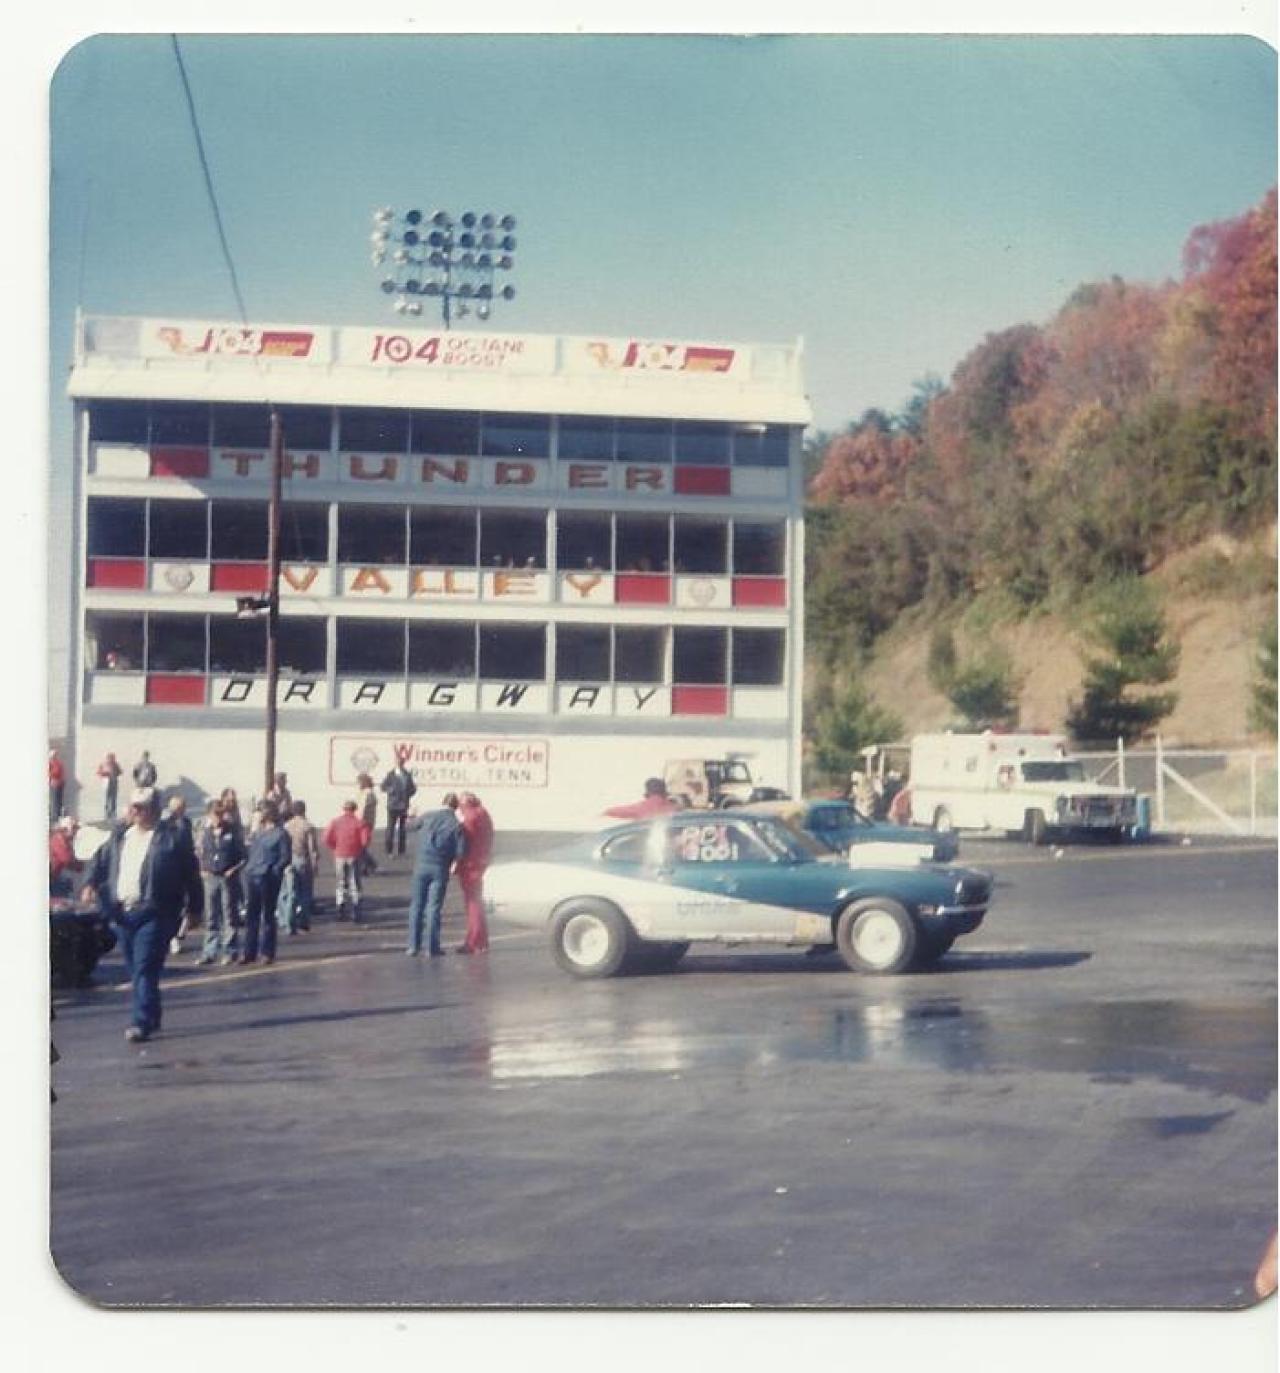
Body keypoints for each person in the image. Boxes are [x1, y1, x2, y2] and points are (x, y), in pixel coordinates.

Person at [80, 786, 202, 1043]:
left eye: (141, 807)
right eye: (133, 806)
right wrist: (89, 883)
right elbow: (99, 861)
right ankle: (152, 1013)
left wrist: (194, 909)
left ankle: (141, 1021)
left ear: (154, 809)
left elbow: (191, 875)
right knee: (137, 969)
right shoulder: (120, 837)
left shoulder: (172, 838)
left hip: (155, 912)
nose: (135, 812)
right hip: (123, 912)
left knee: (145, 966)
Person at [405, 793, 466, 957]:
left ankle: (413, 946)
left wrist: (410, 814)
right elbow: (461, 852)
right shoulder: (456, 825)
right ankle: (432, 948)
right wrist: (454, 864)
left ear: (442, 802)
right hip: (440, 867)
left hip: (421, 865)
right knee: (433, 908)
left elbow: (408, 827)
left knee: (417, 905)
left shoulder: (428, 816)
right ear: (456, 807)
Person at [240, 801, 291, 965]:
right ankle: (249, 952)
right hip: (253, 874)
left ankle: (267, 952)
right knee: (251, 915)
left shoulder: (280, 834)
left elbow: (285, 857)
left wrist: (274, 870)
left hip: (268, 877)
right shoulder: (257, 833)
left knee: (268, 915)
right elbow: (249, 851)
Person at [197, 799, 245, 965]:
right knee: (211, 915)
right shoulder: (205, 833)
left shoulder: (232, 832)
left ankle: (230, 951)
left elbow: (243, 856)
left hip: (227, 878)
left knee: (229, 915)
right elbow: (199, 853)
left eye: (220, 814)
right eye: (214, 814)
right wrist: (202, 869)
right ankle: (209, 952)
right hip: (210, 877)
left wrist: (234, 869)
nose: (217, 818)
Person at [454, 792, 493, 955]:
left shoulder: (470, 817)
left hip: (471, 864)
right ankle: (481, 940)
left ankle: (474, 941)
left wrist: (456, 862)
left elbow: (464, 841)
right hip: (481, 861)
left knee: (472, 904)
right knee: (477, 902)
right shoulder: (483, 814)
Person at [324, 799, 371, 923]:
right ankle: (356, 910)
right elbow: (365, 841)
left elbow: (327, 838)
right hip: (354, 855)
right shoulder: (360, 823)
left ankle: (340, 908)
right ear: (355, 809)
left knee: (340, 882)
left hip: (339, 854)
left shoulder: (335, 822)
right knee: (354, 882)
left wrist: (335, 847)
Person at [280, 799, 320, 934]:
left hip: (288, 859)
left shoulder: (286, 826)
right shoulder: (308, 826)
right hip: (302, 859)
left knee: (290, 892)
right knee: (305, 892)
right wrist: (315, 864)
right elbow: (312, 848)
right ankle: (303, 921)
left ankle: (288, 922)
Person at [380, 754, 417, 856]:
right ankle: (389, 850)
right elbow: (383, 787)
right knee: (390, 829)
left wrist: (408, 794)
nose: (400, 763)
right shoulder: (391, 774)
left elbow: (413, 788)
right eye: (398, 762)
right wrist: (391, 790)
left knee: (403, 829)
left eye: (401, 762)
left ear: (403, 763)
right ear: (395, 762)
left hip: (404, 806)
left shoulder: (407, 774)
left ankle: (401, 851)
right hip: (392, 805)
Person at [604, 777, 679, 821]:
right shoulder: (674, 808)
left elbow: (613, 811)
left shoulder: (640, 807)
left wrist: (605, 812)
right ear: (665, 793)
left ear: (647, 793)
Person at [49, 816, 82, 897]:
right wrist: (84, 867)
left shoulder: (63, 840)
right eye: (74, 828)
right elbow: (67, 860)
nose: (76, 832)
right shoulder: (59, 839)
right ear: (65, 829)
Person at [354, 773, 379, 875]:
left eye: (359, 782)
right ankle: (369, 865)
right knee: (361, 846)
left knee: (360, 846)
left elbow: (363, 810)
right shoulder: (366, 793)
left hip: (364, 823)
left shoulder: (367, 794)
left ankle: (368, 865)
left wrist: (358, 822)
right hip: (366, 822)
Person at [97, 752, 123, 822]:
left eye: (113, 758)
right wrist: (105, 774)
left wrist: (115, 773)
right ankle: (106, 813)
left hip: (114, 782)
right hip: (106, 782)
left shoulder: (116, 764)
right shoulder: (103, 764)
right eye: (110, 758)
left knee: (113, 798)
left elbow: (120, 772)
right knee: (106, 798)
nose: (111, 759)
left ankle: (113, 813)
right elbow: (98, 772)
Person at [48, 751, 66, 826]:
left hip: (60, 784)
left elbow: (61, 771)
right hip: (54, 784)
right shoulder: (50, 763)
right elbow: (52, 773)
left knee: (59, 801)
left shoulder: (58, 763)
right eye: (53, 755)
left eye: (55, 755)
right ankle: (54, 817)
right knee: (54, 801)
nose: (55, 756)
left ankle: (58, 816)